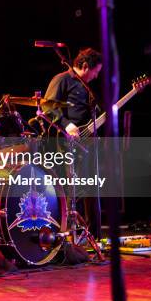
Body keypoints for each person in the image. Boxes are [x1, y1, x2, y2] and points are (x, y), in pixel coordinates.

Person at [44, 47, 103, 240]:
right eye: (96, 71)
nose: (96, 76)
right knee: (70, 189)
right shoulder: (62, 79)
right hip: (63, 145)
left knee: (91, 187)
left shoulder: (85, 87)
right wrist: (67, 124)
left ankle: (92, 235)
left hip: (85, 145)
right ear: (86, 66)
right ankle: (67, 234)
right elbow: (47, 106)